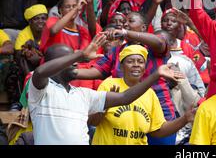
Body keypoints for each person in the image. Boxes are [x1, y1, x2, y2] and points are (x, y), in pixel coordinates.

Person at [28, 35, 181, 145]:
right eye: (70, 59)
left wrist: (156, 75)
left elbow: (125, 97)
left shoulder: (83, 94)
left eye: (140, 61)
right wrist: (80, 55)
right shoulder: (42, 91)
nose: (75, 64)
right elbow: (41, 72)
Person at [91, 45, 194, 145]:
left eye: (140, 62)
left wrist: (184, 119)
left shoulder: (150, 94)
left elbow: (158, 130)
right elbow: (93, 121)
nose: (136, 64)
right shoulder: (108, 85)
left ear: (144, 68)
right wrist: (105, 106)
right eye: (130, 61)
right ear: (121, 67)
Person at [6, 4, 47, 110]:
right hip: (27, 68)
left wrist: (40, 59)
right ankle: (18, 102)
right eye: (36, 19)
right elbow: (18, 55)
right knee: (14, 70)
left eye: (43, 18)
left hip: (46, 65)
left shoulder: (49, 32)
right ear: (30, 22)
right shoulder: (24, 34)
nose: (40, 21)